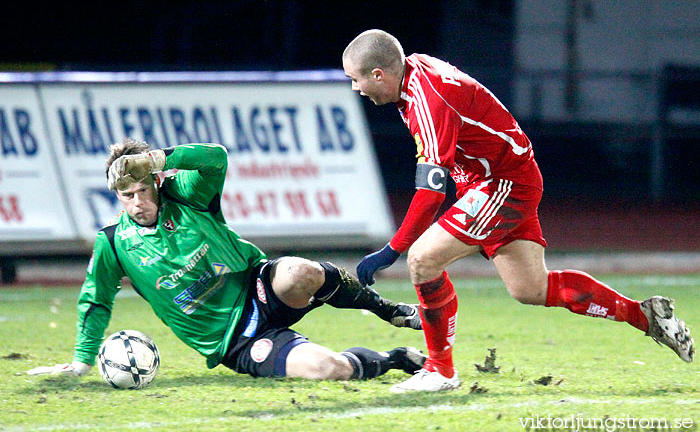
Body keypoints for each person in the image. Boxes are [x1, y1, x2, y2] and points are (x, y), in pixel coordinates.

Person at [342, 29, 695, 393]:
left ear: (379, 74)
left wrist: (392, 250)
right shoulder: (414, 73)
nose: (356, 88)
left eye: (356, 79)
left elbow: (431, 192)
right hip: (502, 177)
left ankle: (440, 370)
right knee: (531, 288)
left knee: (421, 260)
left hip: (501, 183)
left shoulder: (428, 99)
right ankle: (646, 316)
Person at [27, 140, 426, 382]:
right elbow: (96, 299)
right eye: (125, 195)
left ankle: (389, 310)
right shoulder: (114, 244)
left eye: (142, 189)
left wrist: (157, 158)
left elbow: (216, 158)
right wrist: (80, 363)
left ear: (157, 180)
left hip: (258, 289)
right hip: (234, 341)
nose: (136, 202)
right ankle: (394, 360)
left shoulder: (187, 195)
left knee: (299, 272)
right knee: (330, 370)